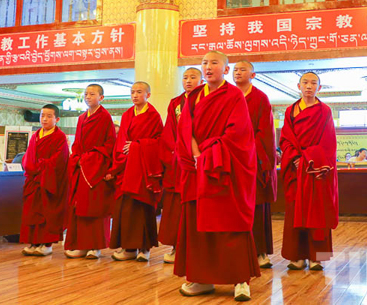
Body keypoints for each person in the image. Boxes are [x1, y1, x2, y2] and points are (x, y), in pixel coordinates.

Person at [174, 51, 259, 301]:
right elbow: (185, 130)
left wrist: (209, 154)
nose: (208, 67)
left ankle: (240, 280)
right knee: (197, 225)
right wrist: (196, 155)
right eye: (204, 63)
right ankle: (201, 278)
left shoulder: (234, 95)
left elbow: (239, 135)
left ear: (225, 69)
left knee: (230, 222)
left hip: (224, 169)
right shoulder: (194, 97)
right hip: (197, 167)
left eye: (214, 63)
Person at [280, 72, 338, 272]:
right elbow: (285, 138)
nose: (309, 86)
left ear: (319, 88)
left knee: (317, 212)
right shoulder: (290, 110)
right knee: (295, 211)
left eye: (313, 83)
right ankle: (297, 256)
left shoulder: (325, 111)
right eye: (305, 82)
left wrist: (309, 160)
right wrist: (295, 158)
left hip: (315, 170)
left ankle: (317, 258)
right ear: (299, 86)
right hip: (296, 169)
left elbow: (328, 142)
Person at [106, 82, 164, 262]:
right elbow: (121, 142)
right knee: (125, 210)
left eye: (139, 92)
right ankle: (128, 248)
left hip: (143, 170)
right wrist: (117, 166)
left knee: (142, 209)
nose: (135, 95)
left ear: (148, 95)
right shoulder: (127, 115)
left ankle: (144, 249)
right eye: (132, 92)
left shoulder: (153, 116)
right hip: (126, 168)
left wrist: (138, 146)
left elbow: (159, 142)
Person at [233, 60, 277, 269]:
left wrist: (250, 150)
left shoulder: (260, 98)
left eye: (243, 69)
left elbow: (266, 131)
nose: (238, 72)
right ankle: (236, 252)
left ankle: (260, 251)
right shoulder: (227, 96)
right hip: (231, 160)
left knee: (257, 206)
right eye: (235, 70)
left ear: (253, 75)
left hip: (254, 159)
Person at [65, 84, 116, 259]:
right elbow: (77, 143)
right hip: (82, 168)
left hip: (96, 168)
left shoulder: (105, 117)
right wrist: (77, 158)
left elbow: (109, 144)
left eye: (92, 94)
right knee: (79, 207)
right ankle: (81, 245)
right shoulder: (81, 118)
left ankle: (95, 247)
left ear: (101, 98)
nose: (87, 97)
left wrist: (89, 159)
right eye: (86, 94)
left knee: (95, 208)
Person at [159, 67, 202, 264]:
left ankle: (198, 249)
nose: (188, 81)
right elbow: (169, 131)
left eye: (193, 77)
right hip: (178, 161)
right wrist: (173, 154)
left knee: (197, 205)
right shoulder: (175, 103)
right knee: (176, 206)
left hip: (199, 160)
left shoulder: (206, 99)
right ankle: (177, 247)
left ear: (201, 80)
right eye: (185, 77)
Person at [20, 104, 70, 257]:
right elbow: (28, 156)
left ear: (57, 119)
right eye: (42, 115)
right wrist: (33, 167)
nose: (44, 119)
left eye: (49, 116)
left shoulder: (60, 137)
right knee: (32, 212)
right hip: (34, 179)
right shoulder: (35, 135)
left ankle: (46, 244)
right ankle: (33, 243)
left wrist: (41, 166)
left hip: (49, 181)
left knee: (47, 212)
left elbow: (60, 160)